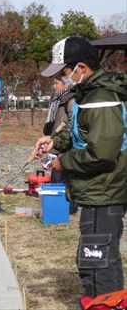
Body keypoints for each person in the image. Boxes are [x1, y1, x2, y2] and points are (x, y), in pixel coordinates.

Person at [34, 36, 126, 303]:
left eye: (65, 72)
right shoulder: (88, 92)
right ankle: (109, 300)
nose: (65, 78)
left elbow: (102, 152)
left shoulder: (100, 97)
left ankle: (103, 303)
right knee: (102, 252)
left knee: (96, 258)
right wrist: (54, 142)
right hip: (96, 188)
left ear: (81, 68)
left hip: (103, 188)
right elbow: (82, 135)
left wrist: (64, 162)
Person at [42, 75, 78, 214]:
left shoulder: (71, 99)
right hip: (56, 141)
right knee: (58, 175)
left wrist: (60, 136)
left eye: (56, 83)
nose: (54, 86)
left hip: (65, 142)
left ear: (66, 85)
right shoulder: (57, 99)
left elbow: (71, 122)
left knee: (61, 175)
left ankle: (65, 207)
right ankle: (61, 206)